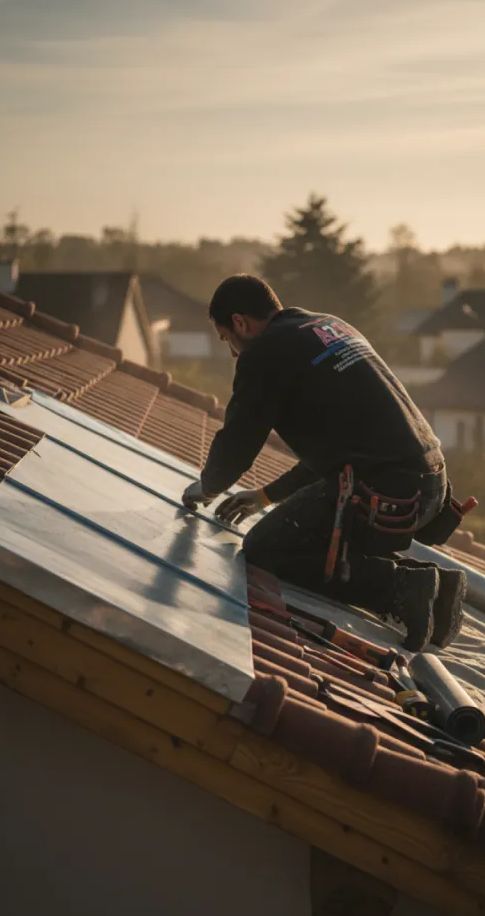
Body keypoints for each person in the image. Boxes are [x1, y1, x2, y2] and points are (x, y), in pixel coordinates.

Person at [181, 274, 467, 652]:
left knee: (266, 548)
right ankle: (440, 594)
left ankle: (400, 589)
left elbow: (240, 437)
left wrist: (207, 486)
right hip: (430, 487)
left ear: (239, 322)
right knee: (309, 531)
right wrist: (266, 496)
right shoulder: (327, 325)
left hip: (387, 492)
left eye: (226, 340)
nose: (232, 351)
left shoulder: (263, 352)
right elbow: (338, 454)